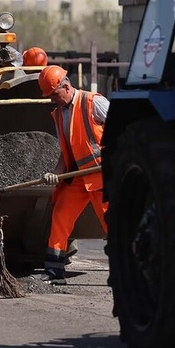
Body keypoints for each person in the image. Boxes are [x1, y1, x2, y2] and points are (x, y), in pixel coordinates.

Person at [39, 65, 109, 285]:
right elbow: (66, 151)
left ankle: (126, 272)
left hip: (101, 175)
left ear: (66, 86)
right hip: (77, 177)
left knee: (112, 224)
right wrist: (56, 173)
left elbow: (123, 130)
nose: (52, 100)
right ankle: (54, 271)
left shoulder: (94, 103)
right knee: (60, 217)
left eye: (54, 95)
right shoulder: (59, 113)